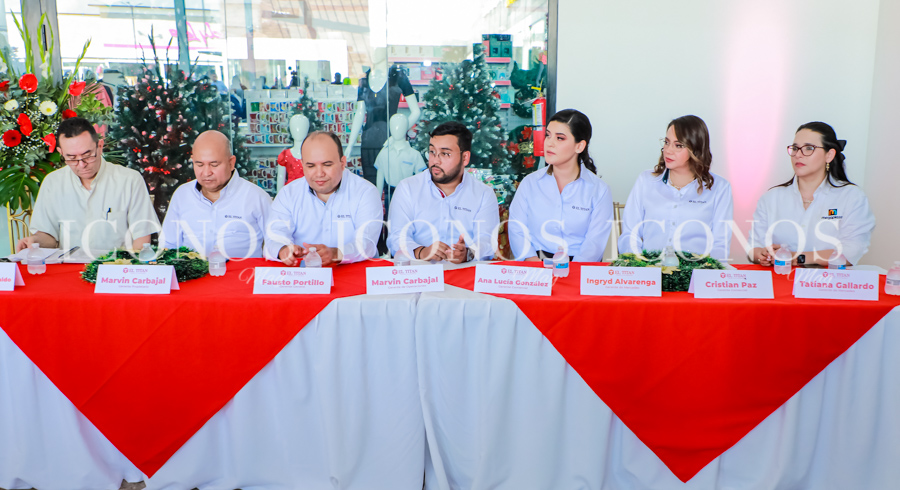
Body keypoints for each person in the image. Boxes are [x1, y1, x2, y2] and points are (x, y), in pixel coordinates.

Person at [18, 117, 159, 254]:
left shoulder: (129, 180)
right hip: (68, 266)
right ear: (61, 153)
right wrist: (34, 241)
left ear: (100, 146)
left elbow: (142, 237)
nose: (81, 164)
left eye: (87, 155)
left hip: (115, 267)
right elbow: (48, 236)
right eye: (72, 158)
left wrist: (128, 266)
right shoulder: (53, 183)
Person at [751, 122, 874, 267]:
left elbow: (852, 251)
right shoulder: (771, 197)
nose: (798, 155)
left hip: (830, 280)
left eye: (809, 148)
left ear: (829, 155)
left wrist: (798, 257)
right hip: (780, 277)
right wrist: (761, 255)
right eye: (795, 148)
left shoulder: (851, 196)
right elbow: (754, 246)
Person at [619, 115, 733, 260]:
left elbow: (720, 244)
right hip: (651, 268)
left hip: (696, 271)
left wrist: (709, 272)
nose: (668, 150)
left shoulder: (720, 188)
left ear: (696, 149)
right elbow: (630, 234)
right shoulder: (646, 181)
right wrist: (639, 266)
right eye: (667, 142)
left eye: (678, 145)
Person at [508, 109, 613, 261]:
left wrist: (571, 271)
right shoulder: (530, 183)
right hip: (534, 264)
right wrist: (533, 263)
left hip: (579, 267)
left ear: (579, 146)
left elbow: (594, 244)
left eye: (560, 138)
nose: (549, 143)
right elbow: (517, 229)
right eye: (548, 135)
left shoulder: (599, 190)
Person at [387, 122, 500, 263]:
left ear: (465, 158)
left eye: (445, 154)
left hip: (465, 272)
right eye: (432, 152)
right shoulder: (408, 188)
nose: (435, 161)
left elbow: (487, 241)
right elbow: (396, 237)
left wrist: (468, 254)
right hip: (419, 273)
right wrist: (421, 252)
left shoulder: (483, 194)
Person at [265, 131, 382, 266]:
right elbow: (274, 235)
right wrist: (283, 249)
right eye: (311, 166)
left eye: (327, 165)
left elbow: (367, 243)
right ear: (302, 164)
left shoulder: (365, 192)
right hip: (304, 275)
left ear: (342, 163)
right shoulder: (288, 194)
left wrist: (337, 254)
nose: (319, 173)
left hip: (355, 273)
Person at [161, 131, 271, 258]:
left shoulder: (256, 197)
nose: (206, 173)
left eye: (214, 165)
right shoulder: (182, 195)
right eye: (199, 164)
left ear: (231, 163)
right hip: (192, 270)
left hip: (243, 270)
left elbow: (276, 245)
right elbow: (168, 245)